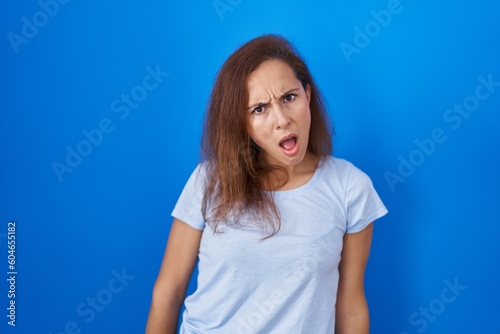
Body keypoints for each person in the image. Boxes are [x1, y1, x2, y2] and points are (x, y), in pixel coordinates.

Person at [145, 34, 387, 334]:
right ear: (242, 122)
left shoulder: (351, 187)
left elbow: (350, 307)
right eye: (259, 108)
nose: (281, 119)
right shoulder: (209, 181)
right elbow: (167, 295)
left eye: (289, 97)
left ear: (307, 96)